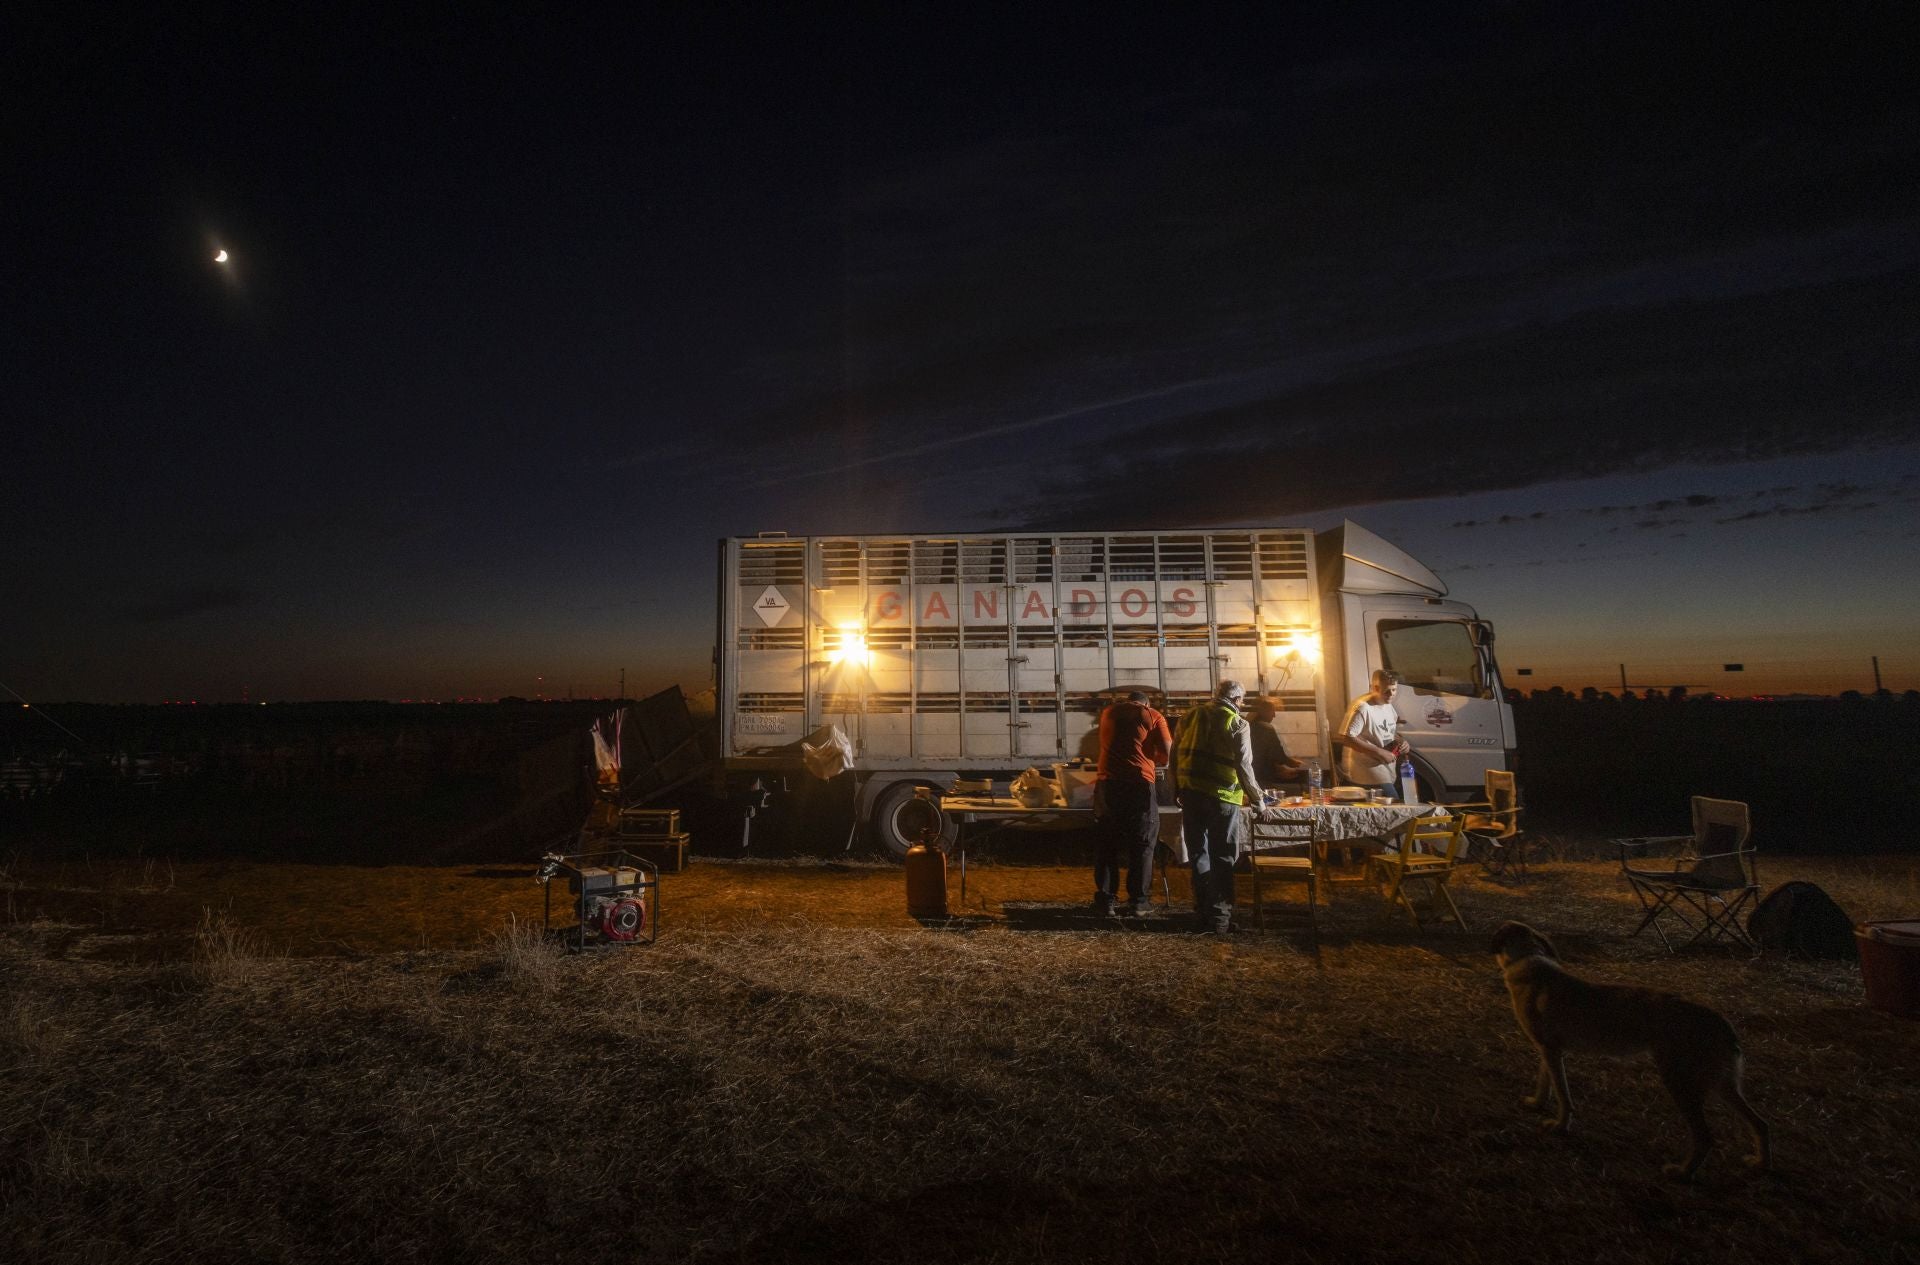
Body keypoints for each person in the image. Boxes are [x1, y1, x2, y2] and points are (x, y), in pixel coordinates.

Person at [1173, 678, 1264, 934]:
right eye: (1242, 700)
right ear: (1237, 700)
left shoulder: (1190, 716)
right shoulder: (1237, 723)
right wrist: (1258, 800)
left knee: (1198, 854)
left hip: (1191, 794)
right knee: (1223, 856)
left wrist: (1176, 788)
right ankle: (1220, 918)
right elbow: (1244, 766)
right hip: (1223, 798)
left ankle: (1202, 911)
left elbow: (1175, 754)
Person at [1092, 690, 1172, 916]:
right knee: (1142, 843)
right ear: (1146, 703)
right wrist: (1153, 758)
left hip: (1107, 785)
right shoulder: (1153, 715)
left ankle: (1106, 901)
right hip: (1139, 785)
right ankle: (1138, 901)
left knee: (1107, 844)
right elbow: (1167, 752)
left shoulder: (1108, 712)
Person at [1335, 669, 1409, 800]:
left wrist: (1402, 742)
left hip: (1386, 771)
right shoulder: (1363, 707)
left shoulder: (1388, 706)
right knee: (1393, 806)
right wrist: (1379, 752)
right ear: (1375, 687)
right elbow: (1346, 737)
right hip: (1367, 773)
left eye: (1394, 690)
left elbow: (1390, 732)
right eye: (1387, 690)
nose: (1391, 694)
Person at [1245, 697, 1307, 789]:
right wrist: (1293, 763)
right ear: (1263, 711)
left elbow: (1265, 755)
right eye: (1272, 711)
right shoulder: (1266, 728)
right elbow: (1277, 755)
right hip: (1261, 779)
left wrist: (1281, 768)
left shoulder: (1248, 725)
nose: (1274, 715)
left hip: (1248, 777)